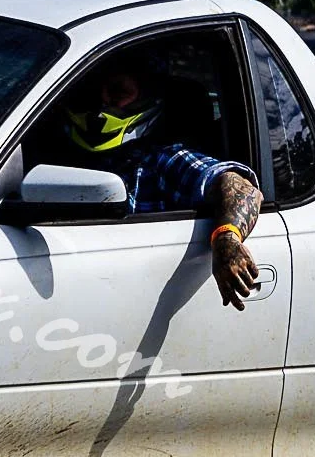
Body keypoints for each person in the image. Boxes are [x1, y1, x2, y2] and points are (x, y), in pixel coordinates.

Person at [42, 56, 265, 309]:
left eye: (118, 91)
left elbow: (241, 187)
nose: (103, 100)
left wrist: (226, 238)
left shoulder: (159, 161)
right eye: (92, 91)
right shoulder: (47, 144)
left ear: (147, 97)